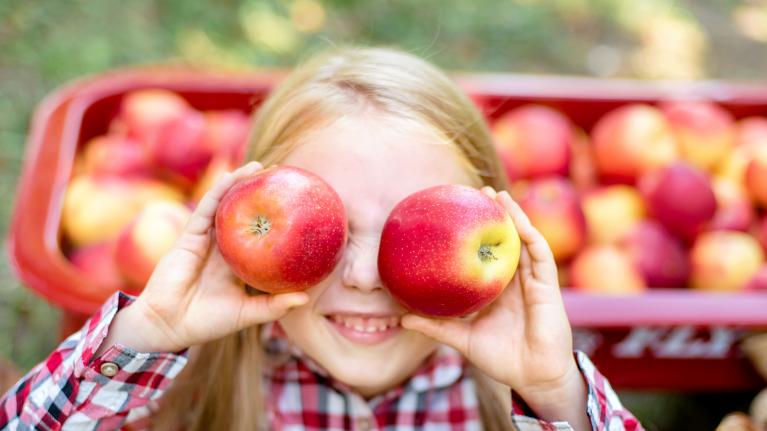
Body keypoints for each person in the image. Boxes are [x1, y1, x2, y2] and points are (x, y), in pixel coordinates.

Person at [0, 46, 642, 431]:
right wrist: (146, 333)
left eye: (405, 234)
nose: (364, 277)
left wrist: (559, 395)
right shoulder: (179, 388)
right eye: (329, 232)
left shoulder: (512, 403)